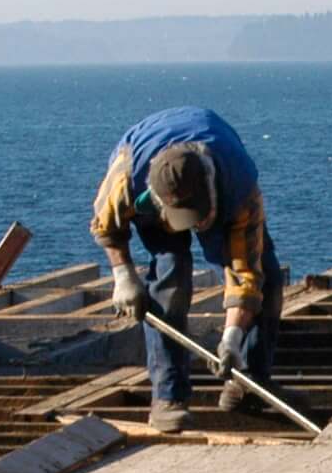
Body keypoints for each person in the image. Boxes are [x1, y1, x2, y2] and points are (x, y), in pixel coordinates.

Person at [90, 106, 284, 432]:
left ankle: (249, 385)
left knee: (268, 277)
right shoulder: (126, 178)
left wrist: (232, 337)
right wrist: (123, 275)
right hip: (150, 198)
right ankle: (168, 398)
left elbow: (244, 273)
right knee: (170, 280)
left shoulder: (239, 187)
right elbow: (107, 227)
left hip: (222, 183)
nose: (190, 227)